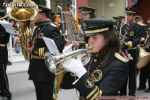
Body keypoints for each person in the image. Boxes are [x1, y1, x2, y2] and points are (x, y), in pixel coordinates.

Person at [61, 17, 129, 99]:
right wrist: (68, 68)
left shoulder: (118, 65)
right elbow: (66, 85)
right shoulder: (90, 57)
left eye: (94, 37)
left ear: (108, 39)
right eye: (88, 37)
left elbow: (101, 97)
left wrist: (80, 71)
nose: (90, 41)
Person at [23, 5, 66, 100]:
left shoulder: (51, 28)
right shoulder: (38, 28)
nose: (33, 15)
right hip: (36, 69)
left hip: (45, 71)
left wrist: (33, 50)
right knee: (40, 97)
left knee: (47, 97)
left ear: (42, 14)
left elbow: (56, 49)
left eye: (35, 13)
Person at [120, 7, 147, 96]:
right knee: (123, 73)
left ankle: (132, 93)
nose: (128, 17)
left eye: (130, 15)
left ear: (134, 16)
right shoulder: (123, 27)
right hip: (123, 53)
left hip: (132, 52)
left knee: (132, 74)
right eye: (127, 15)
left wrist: (127, 44)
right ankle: (122, 92)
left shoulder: (139, 27)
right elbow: (121, 38)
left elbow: (139, 40)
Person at [0, 9, 11, 100]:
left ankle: (6, 93)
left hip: (1, 51)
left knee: (2, 73)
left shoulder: (5, 25)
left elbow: (3, 38)